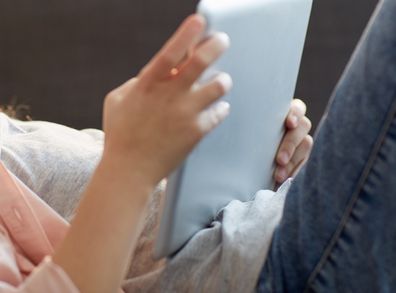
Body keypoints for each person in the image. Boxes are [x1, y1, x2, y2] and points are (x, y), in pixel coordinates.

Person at [0, 13, 312, 293]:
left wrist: (264, 148)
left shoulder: (21, 136)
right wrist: (131, 166)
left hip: (278, 214)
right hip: (267, 257)